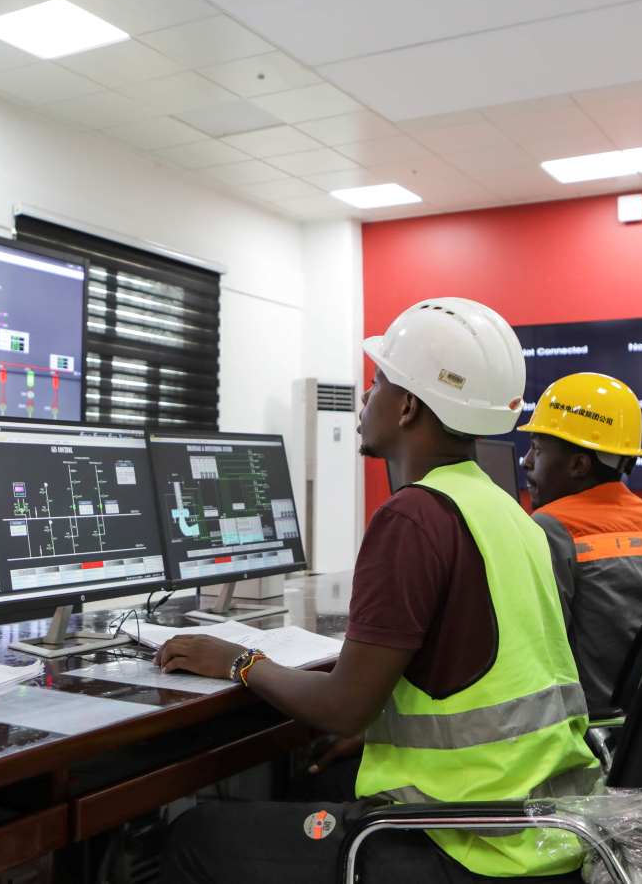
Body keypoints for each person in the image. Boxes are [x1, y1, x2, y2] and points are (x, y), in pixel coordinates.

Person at [157, 298, 599, 884]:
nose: (366, 399)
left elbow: (342, 708)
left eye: (378, 383)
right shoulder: (507, 512)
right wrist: (376, 730)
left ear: (408, 405)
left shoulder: (413, 516)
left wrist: (239, 661)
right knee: (309, 781)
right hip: (538, 829)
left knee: (195, 836)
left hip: (464, 845)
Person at [518, 372, 642, 713]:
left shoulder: (549, 529)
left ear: (579, 465)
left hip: (586, 733)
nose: (526, 461)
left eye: (537, 450)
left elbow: (525, 656)